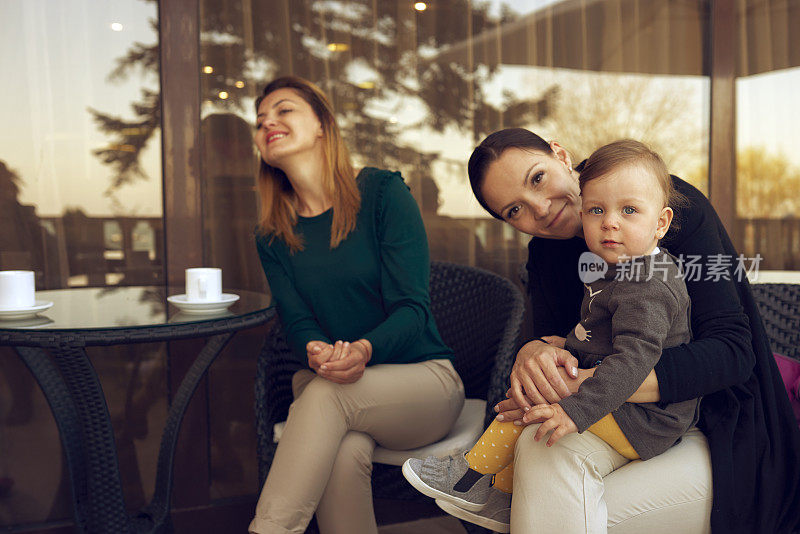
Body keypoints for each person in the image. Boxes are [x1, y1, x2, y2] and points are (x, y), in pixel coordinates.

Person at [457, 127, 800, 533]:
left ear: (561, 156)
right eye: (515, 211)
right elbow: (554, 341)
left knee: (545, 505)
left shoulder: (664, 206)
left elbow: (732, 354)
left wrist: (580, 383)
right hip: (621, 421)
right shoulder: (546, 251)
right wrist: (532, 353)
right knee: (540, 446)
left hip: (722, 427)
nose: (540, 208)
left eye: (538, 179)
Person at [403, 140, 701, 533]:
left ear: (661, 223)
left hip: (650, 419)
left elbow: (634, 360)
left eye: (629, 210)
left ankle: (472, 475)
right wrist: (555, 348)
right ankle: (497, 490)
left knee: (537, 411)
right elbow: (597, 334)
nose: (610, 222)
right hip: (625, 404)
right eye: (597, 210)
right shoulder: (615, 266)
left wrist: (573, 407)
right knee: (533, 399)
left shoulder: (646, 281)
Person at [247, 76, 465, 534]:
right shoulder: (272, 233)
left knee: (325, 398)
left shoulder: (382, 193)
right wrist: (314, 349)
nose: (268, 122)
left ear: (322, 124)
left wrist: (363, 349)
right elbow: (298, 321)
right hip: (338, 387)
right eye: (260, 119)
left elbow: (413, 309)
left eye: (283, 110)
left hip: (423, 381)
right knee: (342, 449)